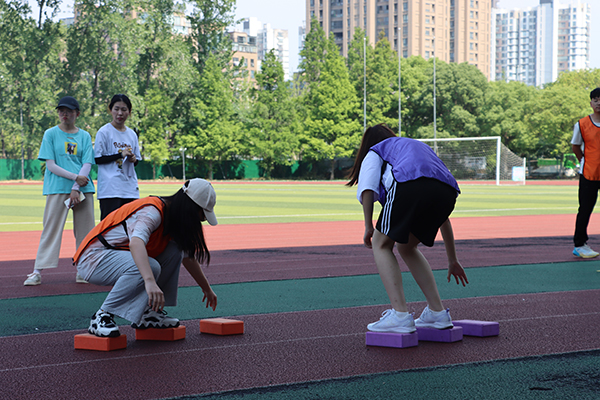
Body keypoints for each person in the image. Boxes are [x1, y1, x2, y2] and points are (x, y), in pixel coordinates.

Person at [346, 124, 468, 334]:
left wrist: (368, 227)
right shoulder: (413, 147)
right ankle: (437, 312)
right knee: (406, 247)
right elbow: (444, 220)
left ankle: (400, 315)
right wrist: (452, 259)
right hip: (447, 192)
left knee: (380, 245)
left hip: (408, 184)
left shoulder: (376, 151)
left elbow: (367, 188)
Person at [72, 178, 218, 337]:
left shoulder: (173, 217)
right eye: (201, 215)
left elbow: (188, 257)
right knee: (151, 266)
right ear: (190, 207)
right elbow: (136, 243)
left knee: (176, 250)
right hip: (93, 259)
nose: (201, 220)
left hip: (111, 256)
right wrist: (149, 281)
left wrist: (206, 289)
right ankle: (102, 315)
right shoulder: (152, 211)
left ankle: (149, 313)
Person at [24, 96, 96, 286]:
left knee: (86, 231)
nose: (65, 114)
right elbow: (51, 165)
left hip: (83, 188)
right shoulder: (50, 134)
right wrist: (74, 178)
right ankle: (37, 271)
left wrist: (76, 187)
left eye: (69, 111)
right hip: (57, 187)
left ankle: (83, 270)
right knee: (51, 228)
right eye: (62, 111)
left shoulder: (85, 136)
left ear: (77, 114)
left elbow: (87, 163)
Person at [94, 94, 142, 220]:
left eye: (124, 109)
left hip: (129, 189)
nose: (120, 113)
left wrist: (133, 159)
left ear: (129, 112)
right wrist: (120, 155)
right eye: (116, 109)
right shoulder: (104, 132)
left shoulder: (132, 134)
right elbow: (98, 159)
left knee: (130, 226)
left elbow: (136, 161)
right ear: (110, 110)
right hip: (110, 190)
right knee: (110, 226)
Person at [571, 87, 600, 259]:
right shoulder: (582, 124)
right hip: (589, 173)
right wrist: (584, 160)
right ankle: (580, 245)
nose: (598, 103)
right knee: (585, 209)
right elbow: (575, 146)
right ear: (591, 103)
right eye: (595, 100)